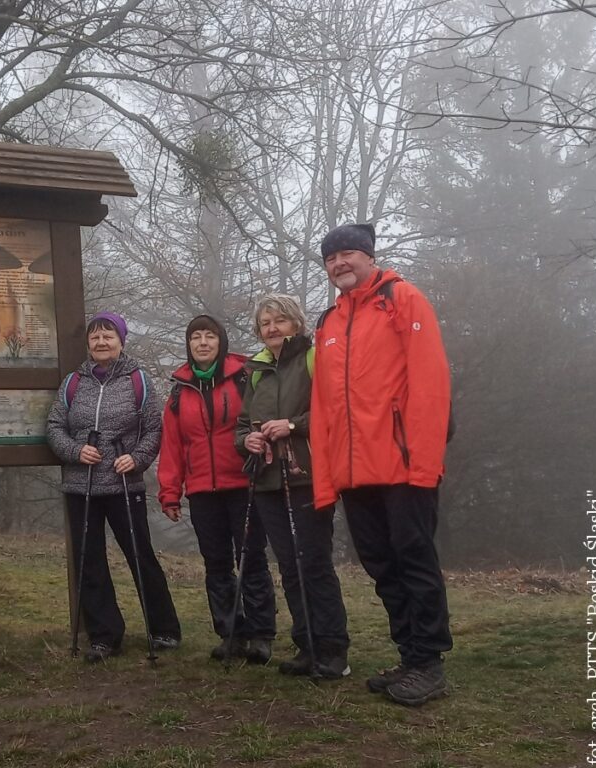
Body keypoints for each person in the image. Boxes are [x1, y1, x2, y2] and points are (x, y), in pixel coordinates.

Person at [311, 223, 453, 706]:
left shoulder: (401, 298)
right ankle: (411, 657)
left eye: (348, 253)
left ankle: (429, 661)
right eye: (330, 258)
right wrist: (327, 478)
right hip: (354, 472)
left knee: (414, 558)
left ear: (369, 256)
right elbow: (325, 405)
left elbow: (431, 384)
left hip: (403, 463)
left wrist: (424, 462)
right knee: (380, 565)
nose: (339, 263)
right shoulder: (328, 322)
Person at [46, 311, 181, 662]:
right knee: (89, 562)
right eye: (96, 337)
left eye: (109, 336)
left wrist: (136, 459)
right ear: (88, 343)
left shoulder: (139, 380)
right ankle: (104, 636)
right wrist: (75, 451)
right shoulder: (73, 382)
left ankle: (164, 629)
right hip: (82, 486)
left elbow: (155, 428)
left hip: (124, 485)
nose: (102, 342)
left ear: (121, 341)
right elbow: (55, 426)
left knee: (141, 558)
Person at [235, 295, 351, 678]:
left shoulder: (314, 359)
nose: (272, 328)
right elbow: (242, 424)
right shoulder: (256, 370)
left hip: (308, 476)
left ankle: (333, 649)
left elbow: (336, 409)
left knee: (313, 562)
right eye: (265, 322)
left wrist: (292, 425)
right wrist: (247, 441)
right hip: (267, 480)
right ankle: (306, 645)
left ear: (296, 324)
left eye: (280, 320)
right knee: (288, 564)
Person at [157, 315, 275, 663]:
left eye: (210, 336)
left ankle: (262, 634)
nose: (203, 343)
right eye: (196, 337)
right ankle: (231, 634)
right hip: (201, 491)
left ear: (220, 342)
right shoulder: (180, 391)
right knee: (217, 563)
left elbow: (259, 419)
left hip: (243, 484)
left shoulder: (243, 377)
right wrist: (169, 492)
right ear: (189, 344)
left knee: (252, 558)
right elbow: (173, 446)